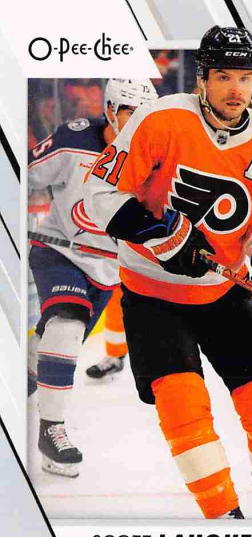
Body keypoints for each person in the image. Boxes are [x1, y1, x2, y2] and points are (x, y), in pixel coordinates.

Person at [85, 26, 252, 520]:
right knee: (183, 407)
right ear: (202, 80)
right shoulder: (160, 119)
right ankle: (223, 512)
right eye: (224, 76)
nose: (236, 89)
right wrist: (161, 237)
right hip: (151, 295)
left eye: (245, 78)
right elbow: (100, 192)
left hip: (223, 289)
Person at [28, 78, 158, 478]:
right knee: (67, 326)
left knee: (48, 348)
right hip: (59, 251)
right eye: (129, 112)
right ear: (110, 110)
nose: (138, 121)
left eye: (145, 114)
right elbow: (21, 175)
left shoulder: (158, 156)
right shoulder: (74, 140)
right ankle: (51, 432)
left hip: (107, 270)